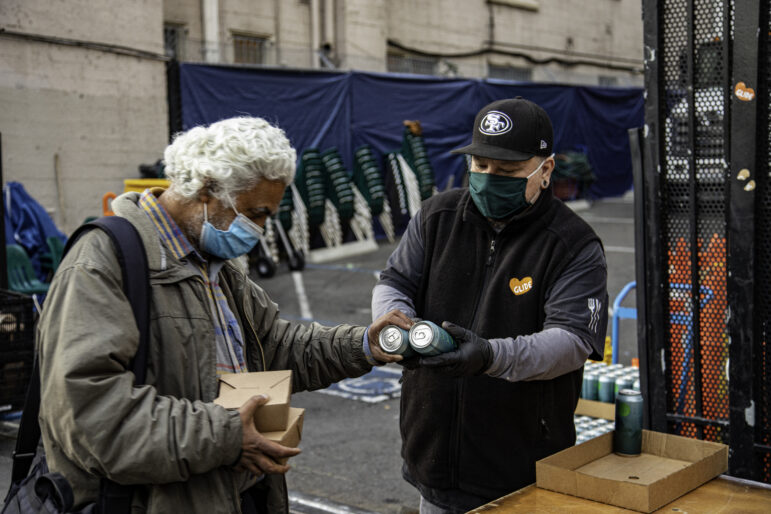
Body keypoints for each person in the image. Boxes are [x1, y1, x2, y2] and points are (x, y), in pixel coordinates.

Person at [37, 116, 412, 514]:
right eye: (256, 212)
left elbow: (274, 347)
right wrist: (227, 436)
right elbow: (90, 418)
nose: (261, 230)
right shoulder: (102, 265)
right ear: (206, 189)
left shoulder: (215, 264)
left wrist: (364, 345)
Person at [372, 97, 608, 513]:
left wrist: (489, 356)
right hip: (434, 459)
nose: (487, 179)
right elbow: (395, 281)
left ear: (545, 169)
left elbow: (570, 341)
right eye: (480, 166)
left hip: (521, 471)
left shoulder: (573, 245)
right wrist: (397, 322)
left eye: (507, 171)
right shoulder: (436, 216)